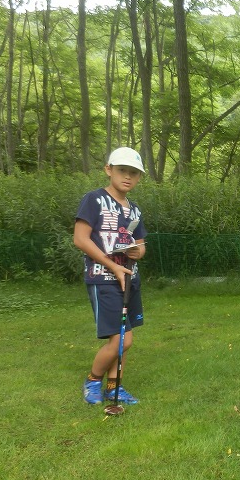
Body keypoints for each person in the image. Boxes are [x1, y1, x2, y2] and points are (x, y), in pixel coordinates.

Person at [74, 147, 148, 406]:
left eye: (133, 173)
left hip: (129, 278)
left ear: (139, 177)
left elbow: (140, 243)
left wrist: (137, 252)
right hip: (103, 278)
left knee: (126, 339)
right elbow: (80, 239)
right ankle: (93, 380)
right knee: (121, 339)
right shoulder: (93, 200)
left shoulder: (135, 210)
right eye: (122, 171)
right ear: (108, 169)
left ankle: (114, 388)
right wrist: (112, 266)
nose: (127, 177)